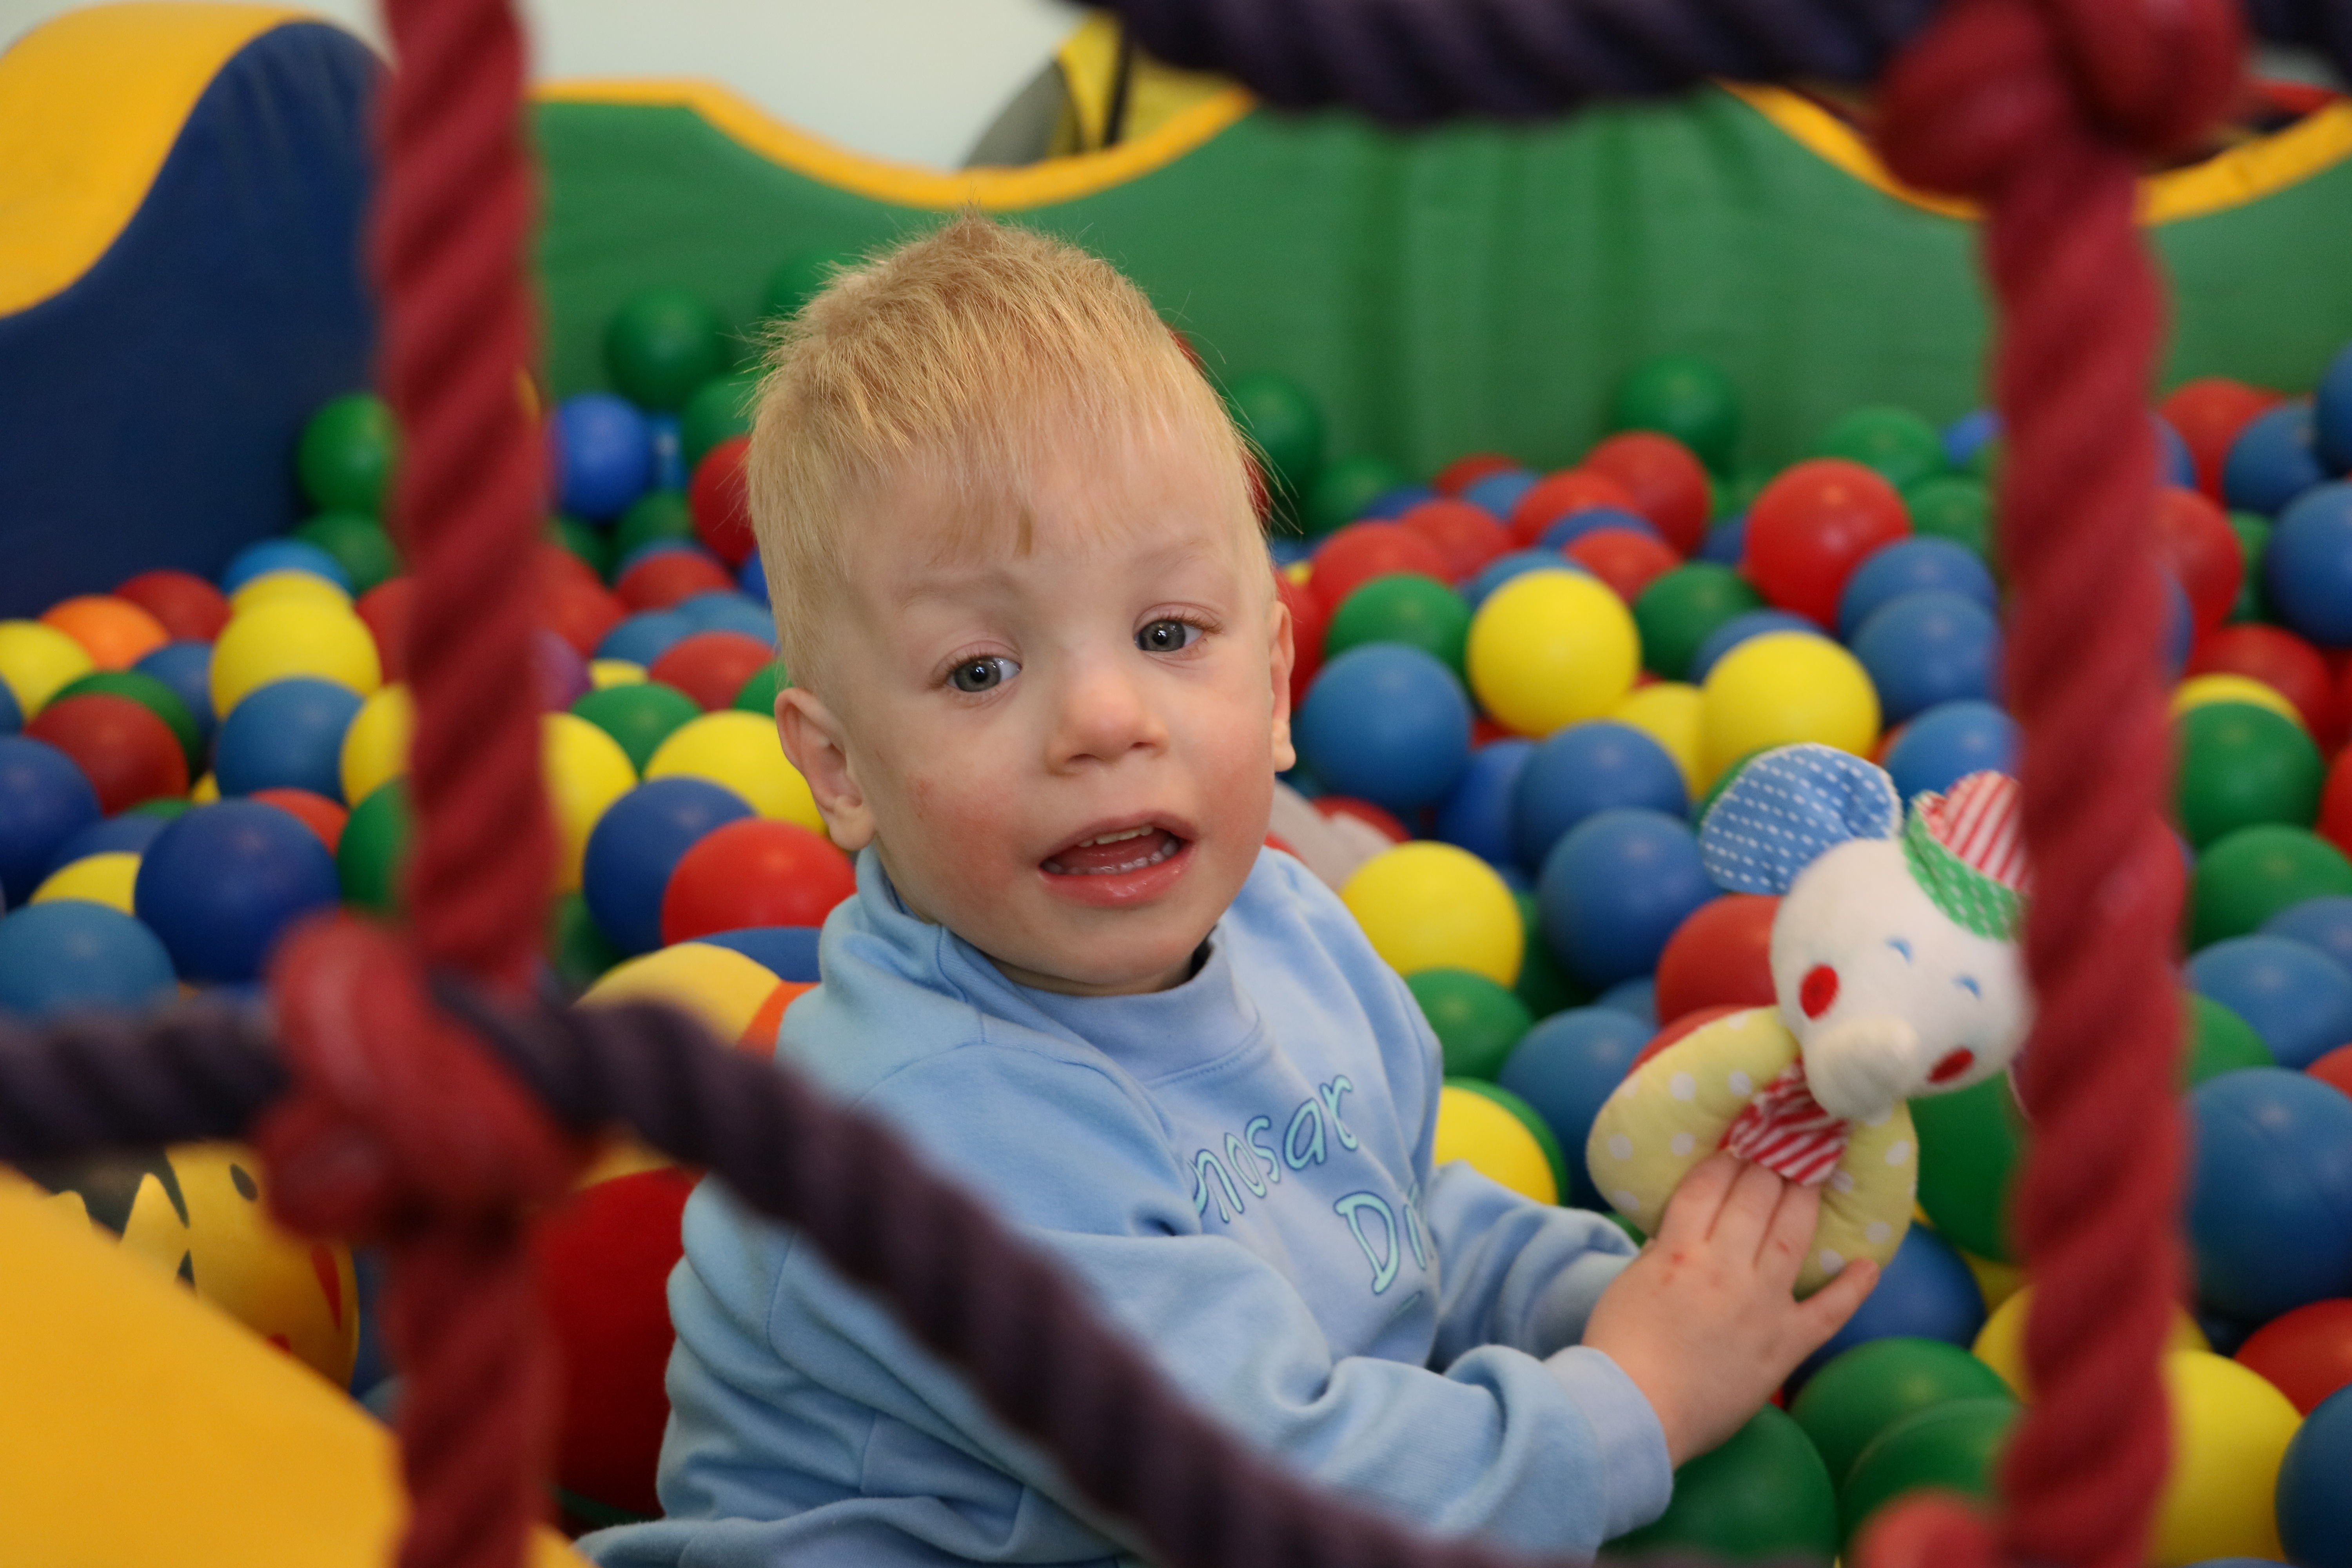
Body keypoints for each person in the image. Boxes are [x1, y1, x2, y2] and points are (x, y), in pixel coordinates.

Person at [578, 214, 1877, 1568]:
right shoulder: (929, 1135)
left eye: (1166, 633)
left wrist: (1620, 1298)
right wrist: (1634, 1403)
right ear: (841, 771)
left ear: (1271, 688)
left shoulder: (1286, 926)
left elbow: (1392, 1222)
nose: (1105, 718)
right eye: (980, 671)